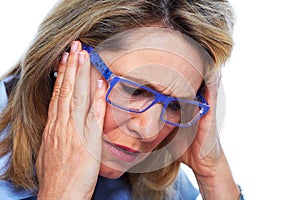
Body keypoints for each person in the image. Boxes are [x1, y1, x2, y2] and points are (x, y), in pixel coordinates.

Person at [0, 0, 244, 199]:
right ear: (63, 57)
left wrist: (213, 175)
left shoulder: (155, 181)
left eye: (175, 105)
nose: (149, 131)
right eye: (134, 90)